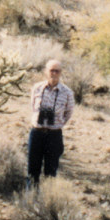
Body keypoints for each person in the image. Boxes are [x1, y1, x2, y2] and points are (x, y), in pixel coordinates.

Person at [27, 59, 75, 187]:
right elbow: (33, 107)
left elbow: (68, 113)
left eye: (57, 71)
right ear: (46, 72)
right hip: (37, 133)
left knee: (51, 170)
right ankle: (31, 197)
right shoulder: (37, 88)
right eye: (51, 70)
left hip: (54, 135)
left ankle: (48, 199)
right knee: (33, 168)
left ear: (60, 73)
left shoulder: (67, 93)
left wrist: (57, 124)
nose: (54, 73)